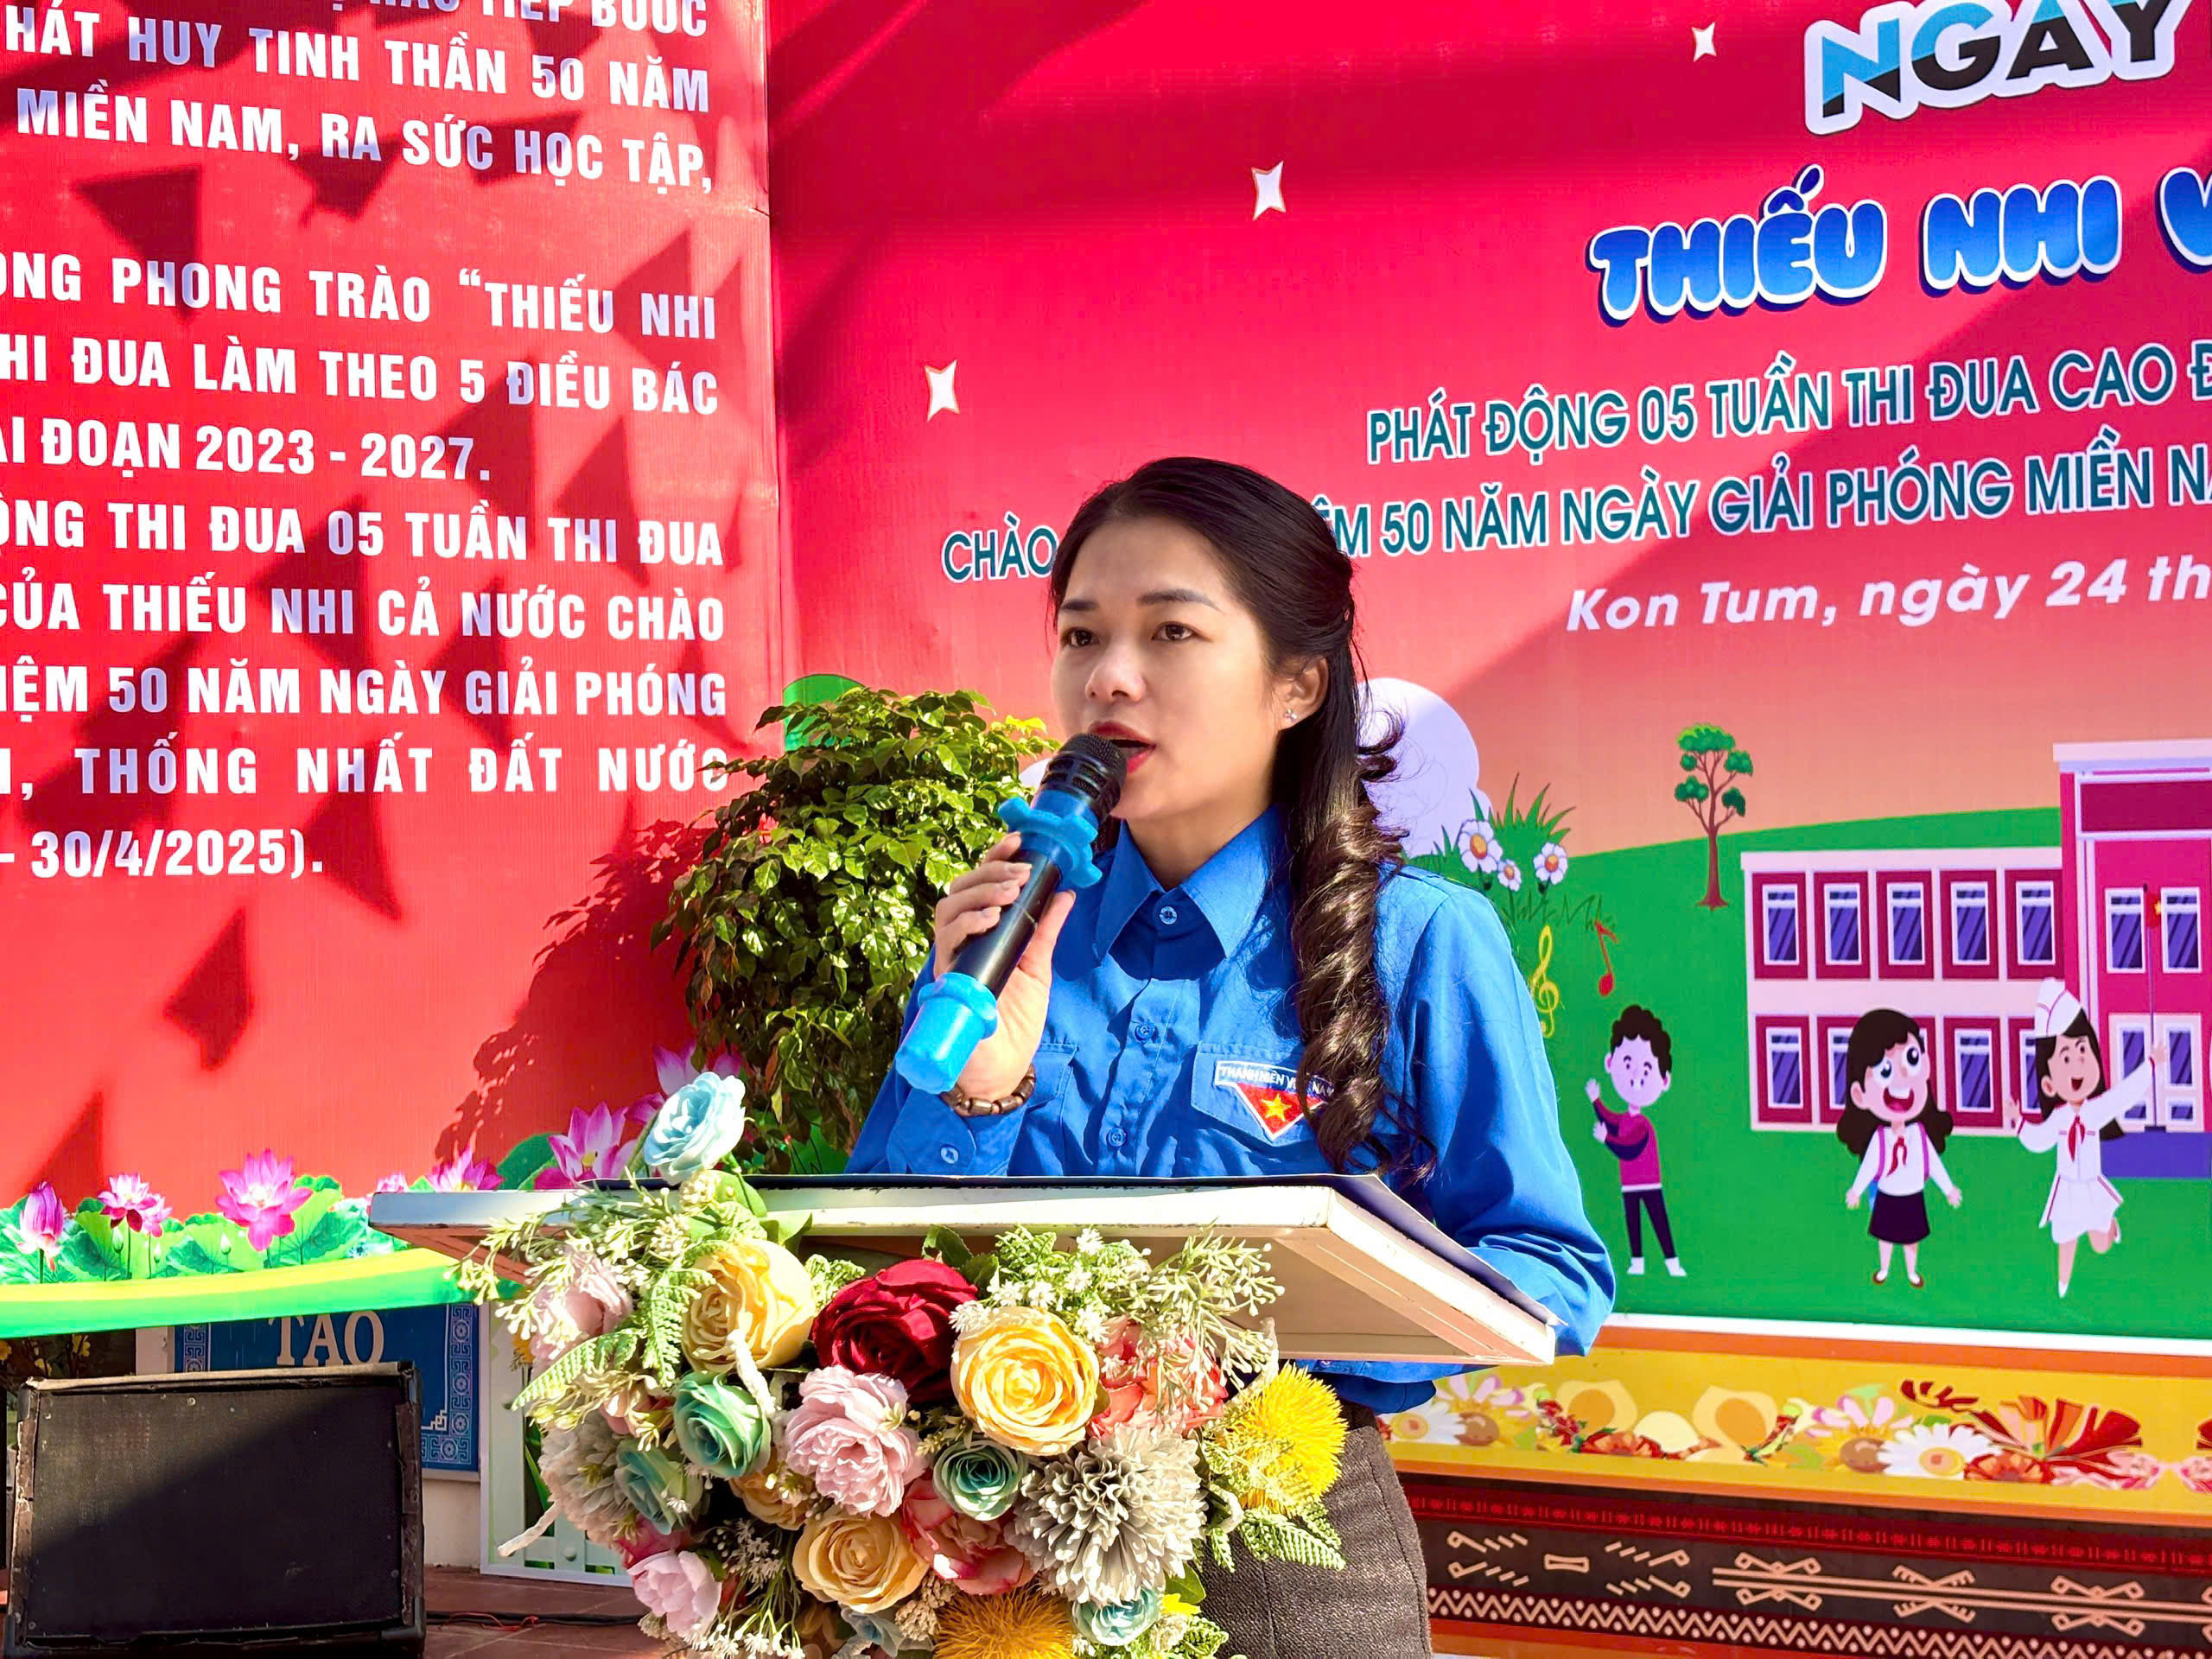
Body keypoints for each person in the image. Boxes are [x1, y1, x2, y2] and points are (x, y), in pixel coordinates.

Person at [849, 458, 1611, 1657]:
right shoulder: (995, 946)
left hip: (1283, 1542)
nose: (1109, 676)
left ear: (1297, 684)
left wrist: (1258, 1341)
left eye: (1171, 632)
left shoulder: (1421, 942)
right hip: (988, 1550)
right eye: (1081, 635)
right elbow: (881, 1278)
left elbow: (1551, 1270)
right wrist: (979, 1086)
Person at [2005, 978, 2160, 1299]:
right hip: (2067, 1188)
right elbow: (2039, 1140)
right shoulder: (2060, 1118)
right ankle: (2062, 1284)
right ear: (2049, 1084)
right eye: (2065, 1058)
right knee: (2065, 1236)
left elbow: (2124, 1095)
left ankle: (2111, 1227)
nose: (2077, 1064)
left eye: (2083, 1051)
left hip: (2090, 1185)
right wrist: (2019, 1122)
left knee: (2100, 1244)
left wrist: (2150, 1065)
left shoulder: (2095, 1111)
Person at [1837, 1008, 1961, 1288]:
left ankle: (1912, 1271)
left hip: (1912, 1195)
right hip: (1888, 1194)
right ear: (1859, 1094)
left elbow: (1934, 1163)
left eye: (1912, 1059)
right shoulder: (1880, 1139)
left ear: (1926, 1066)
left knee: (1911, 1238)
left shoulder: (1919, 1135)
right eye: (1885, 1070)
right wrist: (1856, 1189)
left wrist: (1948, 1188)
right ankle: (1884, 1268)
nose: (1902, 1076)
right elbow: (1870, 1165)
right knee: (1885, 1236)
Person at [1586, 1005, 1683, 1277]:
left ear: (1664, 1080)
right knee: (1633, 1224)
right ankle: (1637, 1261)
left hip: (1650, 1184)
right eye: (1627, 1063)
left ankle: (1671, 1261)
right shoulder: (1625, 1119)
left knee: (1658, 1221)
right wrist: (1596, 1100)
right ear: (1610, 1063)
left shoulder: (1643, 1125)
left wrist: (1607, 1139)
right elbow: (1609, 1118)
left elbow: (1629, 1148)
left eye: (1647, 1068)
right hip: (1629, 1184)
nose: (1636, 1076)